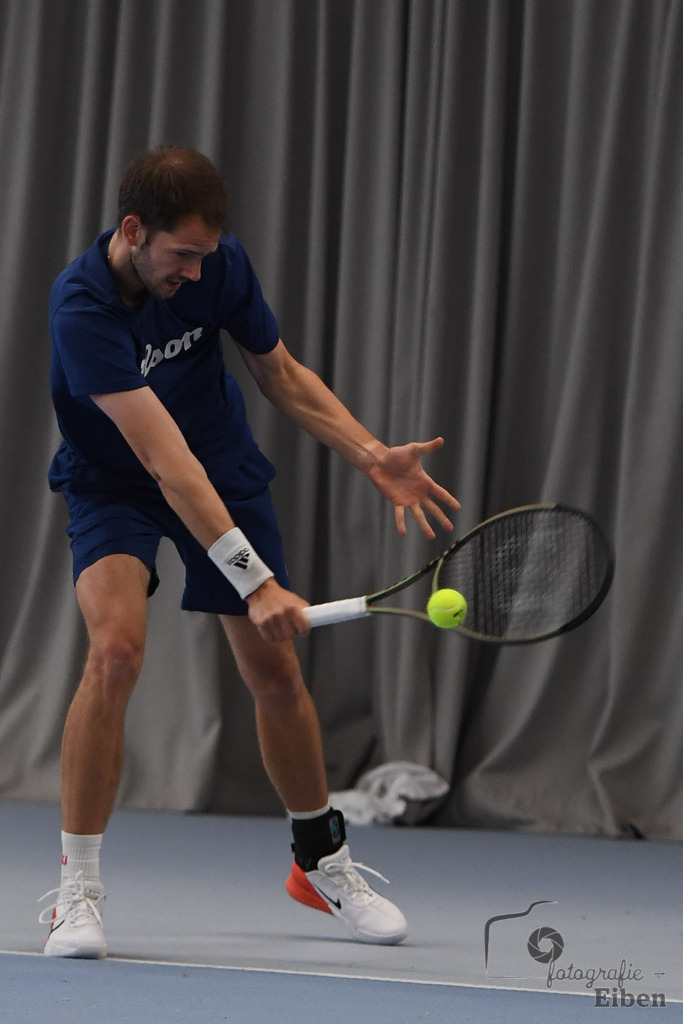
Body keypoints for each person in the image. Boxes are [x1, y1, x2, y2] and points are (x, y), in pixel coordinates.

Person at [40, 146, 460, 959]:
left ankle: (320, 863)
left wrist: (370, 453)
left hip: (220, 466)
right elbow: (164, 465)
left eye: (206, 254)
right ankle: (77, 891)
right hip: (116, 480)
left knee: (273, 674)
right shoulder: (82, 307)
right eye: (181, 256)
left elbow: (282, 376)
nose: (196, 274)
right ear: (133, 231)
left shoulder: (218, 265)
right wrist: (257, 581)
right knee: (115, 653)